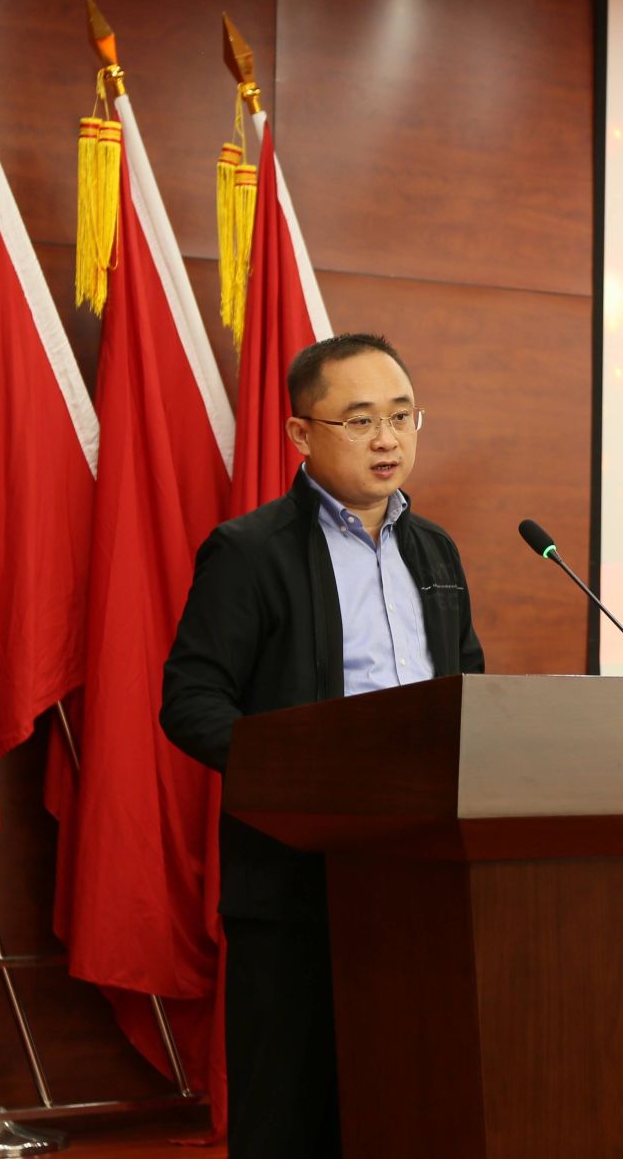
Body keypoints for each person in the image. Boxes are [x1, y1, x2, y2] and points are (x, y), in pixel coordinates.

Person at [160, 334, 485, 1159]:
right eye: (361, 420)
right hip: (296, 881)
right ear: (301, 433)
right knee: (291, 1115)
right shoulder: (250, 551)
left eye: (402, 417)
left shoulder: (436, 550)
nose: (387, 439)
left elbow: (468, 686)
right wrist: (307, 775)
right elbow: (191, 701)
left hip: (425, 880)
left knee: (411, 1104)